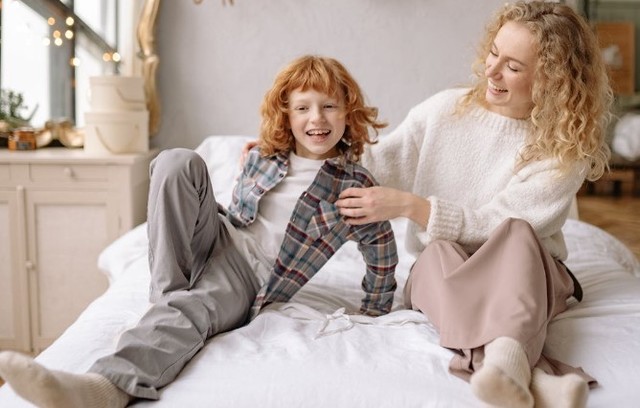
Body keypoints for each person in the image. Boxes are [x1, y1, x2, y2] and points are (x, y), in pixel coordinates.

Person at [0, 55, 398, 407]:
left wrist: (376, 308)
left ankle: (103, 388)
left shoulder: (353, 186)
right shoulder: (264, 155)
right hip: (220, 231)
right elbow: (239, 208)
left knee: (197, 305)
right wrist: (256, 156)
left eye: (329, 106)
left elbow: (380, 245)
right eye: (303, 108)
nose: (317, 119)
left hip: (251, 274)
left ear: (348, 112)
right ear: (287, 115)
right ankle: (167, 296)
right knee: (176, 161)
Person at [334, 2, 612, 408]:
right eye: (494, 53)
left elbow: (496, 224)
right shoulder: (444, 110)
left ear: (552, 81)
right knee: (436, 253)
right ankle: (531, 378)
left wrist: (413, 207)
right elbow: (373, 165)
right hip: (446, 267)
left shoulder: (564, 149)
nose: (491, 71)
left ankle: (508, 367)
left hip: (525, 271)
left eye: (513, 67)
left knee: (516, 233)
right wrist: (292, 151)